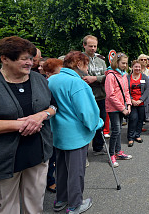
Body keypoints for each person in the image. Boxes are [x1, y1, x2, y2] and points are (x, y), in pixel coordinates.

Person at [0, 36, 56, 213]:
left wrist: (41, 115)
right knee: (5, 208)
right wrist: (18, 125)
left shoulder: (39, 79)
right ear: (4, 58)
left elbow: (53, 106)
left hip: (38, 155)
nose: (30, 62)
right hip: (3, 161)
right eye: (24, 58)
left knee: (35, 206)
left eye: (31, 58)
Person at [48, 51, 102, 213]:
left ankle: (61, 199)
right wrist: (96, 124)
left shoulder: (52, 79)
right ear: (79, 64)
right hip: (75, 135)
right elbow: (87, 112)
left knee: (62, 168)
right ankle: (75, 204)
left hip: (58, 132)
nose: (87, 69)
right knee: (76, 171)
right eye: (86, 65)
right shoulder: (77, 83)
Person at [105, 53, 132, 168]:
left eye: (126, 63)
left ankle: (119, 151)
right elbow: (110, 95)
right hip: (113, 108)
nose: (125, 65)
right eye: (123, 63)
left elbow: (126, 91)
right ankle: (111, 155)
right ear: (117, 62)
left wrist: (129, 104)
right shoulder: (110, 75)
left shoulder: (124, 75)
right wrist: (122, 109)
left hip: (122, 107)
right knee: (115, 130)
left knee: (119, 129)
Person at [82, 35, 107, 155]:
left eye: (95, 46)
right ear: (84, 45)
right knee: (85, 124)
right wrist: (98, 79)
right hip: (86, 97)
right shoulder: (80, 60)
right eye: (90, 46)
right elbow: (82, 78)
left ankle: (98, 147)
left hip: (101, 96)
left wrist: (95, 78)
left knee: (100, 122)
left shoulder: (101, 61)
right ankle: (83, 151)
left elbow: (107, 76)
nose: (93, 48)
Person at [41, 58, 63, 194]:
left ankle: (52, 179)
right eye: (58, 72)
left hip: (55, 122)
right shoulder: (46, 84)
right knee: (50, 155)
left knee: (54, 155)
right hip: (47, 124)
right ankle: (50, 181)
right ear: (49, 73)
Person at [127, 60, 149, 147]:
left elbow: (148, 89)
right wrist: (131, 100)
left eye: (139, 67)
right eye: (136, 67)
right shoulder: (127, 77)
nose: (137, 68)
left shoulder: (144, 77)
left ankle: (137, 135)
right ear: (132, 67)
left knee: (141, 119)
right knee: (133, 119)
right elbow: (125, 90)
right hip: (132, 103)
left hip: (142, 103)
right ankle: (130, 137)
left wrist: (140, 100)